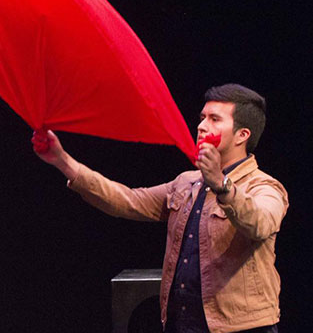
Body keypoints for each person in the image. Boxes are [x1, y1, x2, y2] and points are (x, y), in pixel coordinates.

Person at [33, 84, 288, 332]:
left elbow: (260, 223)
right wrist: (62, 160)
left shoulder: (264, 186)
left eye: (214, 119)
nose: (201, 126)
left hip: (240, 327)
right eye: (202, 118)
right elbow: (127, 201)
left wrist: (222, 185)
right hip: (182, 324)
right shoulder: (187, 183)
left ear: (242, 135)